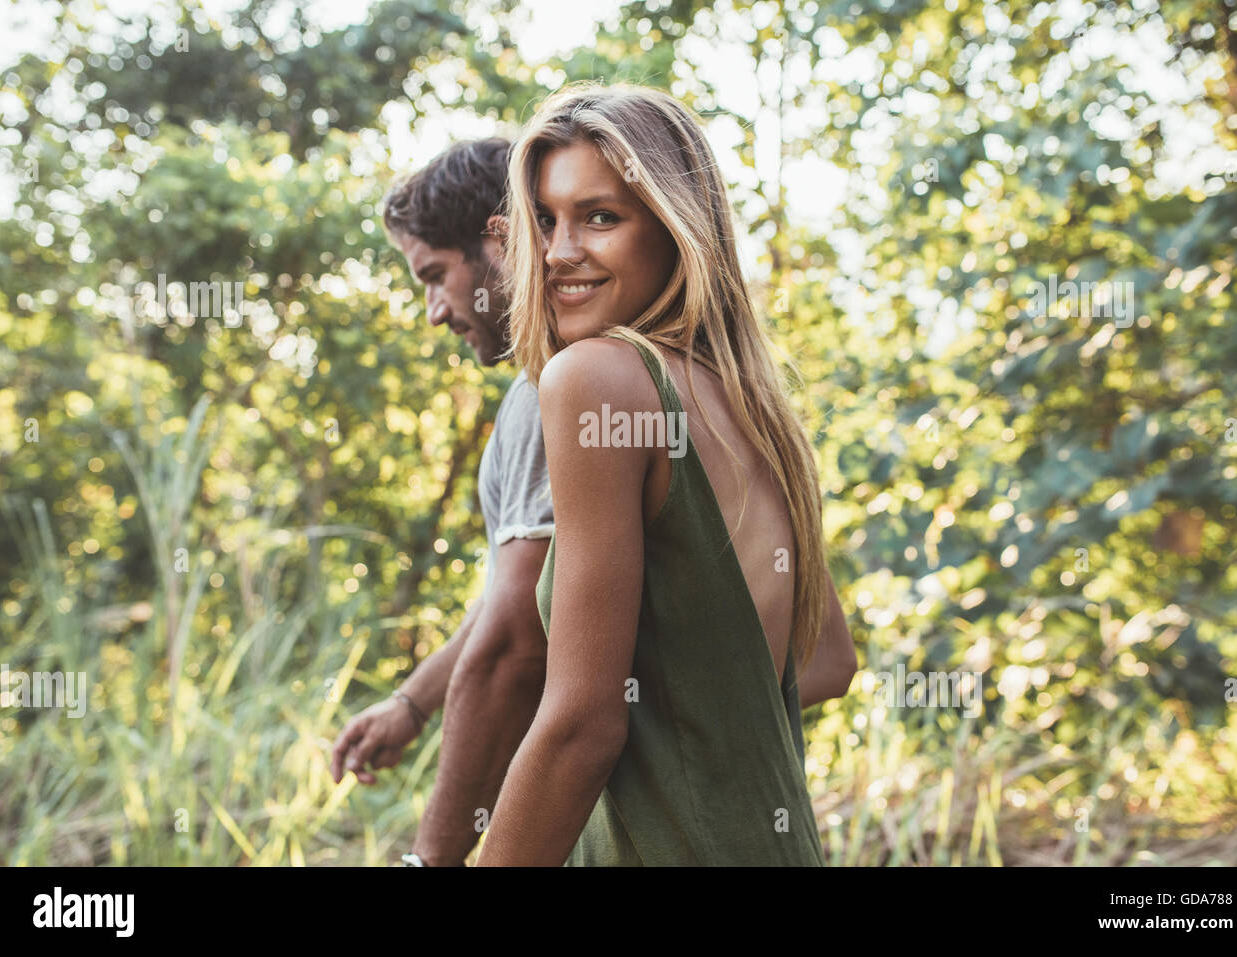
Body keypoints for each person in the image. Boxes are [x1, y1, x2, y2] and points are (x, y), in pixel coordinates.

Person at [475, 83, 859, 866]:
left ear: (677, 228)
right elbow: (827, 661)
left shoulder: (596, 379)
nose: (558, 253)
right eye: (544, 221)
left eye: (600, 217)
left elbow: (582, 721)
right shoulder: (752, 404)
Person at [328, 138, 555, 867]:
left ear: (497, 243)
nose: (432, 312)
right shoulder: (700, 375)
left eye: (434, 275)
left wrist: (429, 861)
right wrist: (413, 702)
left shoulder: (557, 392)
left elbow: (517, 639)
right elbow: (525, 600)